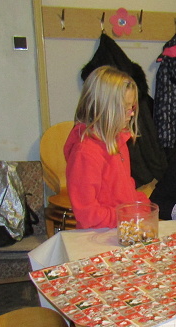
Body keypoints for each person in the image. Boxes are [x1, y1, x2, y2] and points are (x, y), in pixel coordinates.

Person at [64, 66, 150, 229]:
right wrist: (128, 215)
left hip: (121, 227)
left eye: (132, 107)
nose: (132, 114)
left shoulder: (118, 142)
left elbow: (126, 189)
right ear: (105, 108)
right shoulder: (85, 153)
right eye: (126, 108)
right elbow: (88, 214)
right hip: (99, 234)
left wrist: (142, 205)